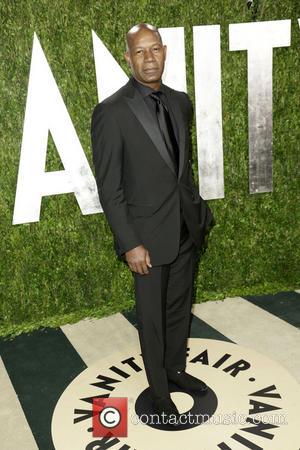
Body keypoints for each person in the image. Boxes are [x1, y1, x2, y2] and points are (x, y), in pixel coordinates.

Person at [91, 23, 215, 424]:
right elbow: (110, 188)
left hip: (184, 229)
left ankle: (176, 370)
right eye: (139, 52)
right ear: (128, 58)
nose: (149, 58)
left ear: (165, 52)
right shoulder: (111, 112)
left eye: (155, 49)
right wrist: (130, 242)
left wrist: (196, 214)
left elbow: (181, 169)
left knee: (179, 309)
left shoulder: (180, 102)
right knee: (152, 318)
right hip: (145, 239)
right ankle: (159, 390)